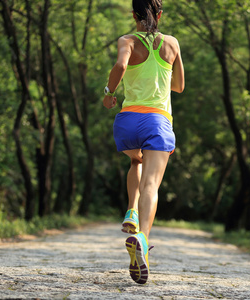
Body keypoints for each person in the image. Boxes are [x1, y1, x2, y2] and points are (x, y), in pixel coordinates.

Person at [102, 0, 184, 285]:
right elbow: (179, 86)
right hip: (157, 121)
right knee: (151, 184)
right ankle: (143, 240)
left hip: (126, 121)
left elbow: (120, 65)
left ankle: (131, 210)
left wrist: (109, 92)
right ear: (159, 15)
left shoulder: (126, 40)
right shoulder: (171, 43)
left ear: (134, 15)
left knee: (136, 159)